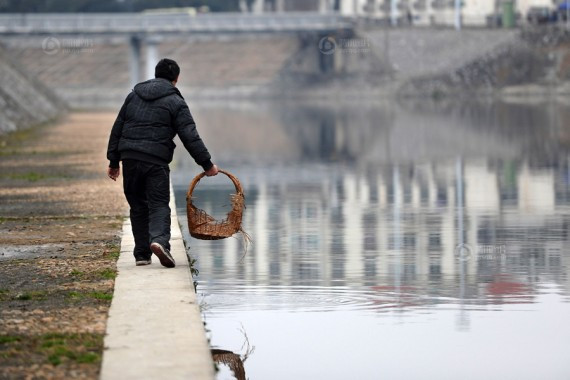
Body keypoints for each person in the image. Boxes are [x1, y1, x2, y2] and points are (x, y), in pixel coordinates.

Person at [106, 58, 218, 268]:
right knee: (158, 205)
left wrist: (114, 161)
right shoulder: (176, 101)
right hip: (154, 161)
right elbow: (190, 136)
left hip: (129, 158)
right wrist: (207, 165)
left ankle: (141, 255)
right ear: (176, 78)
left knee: (138, 206)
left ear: (156, 74)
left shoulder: (133, 96)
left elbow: (117, 128)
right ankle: (158, 241)